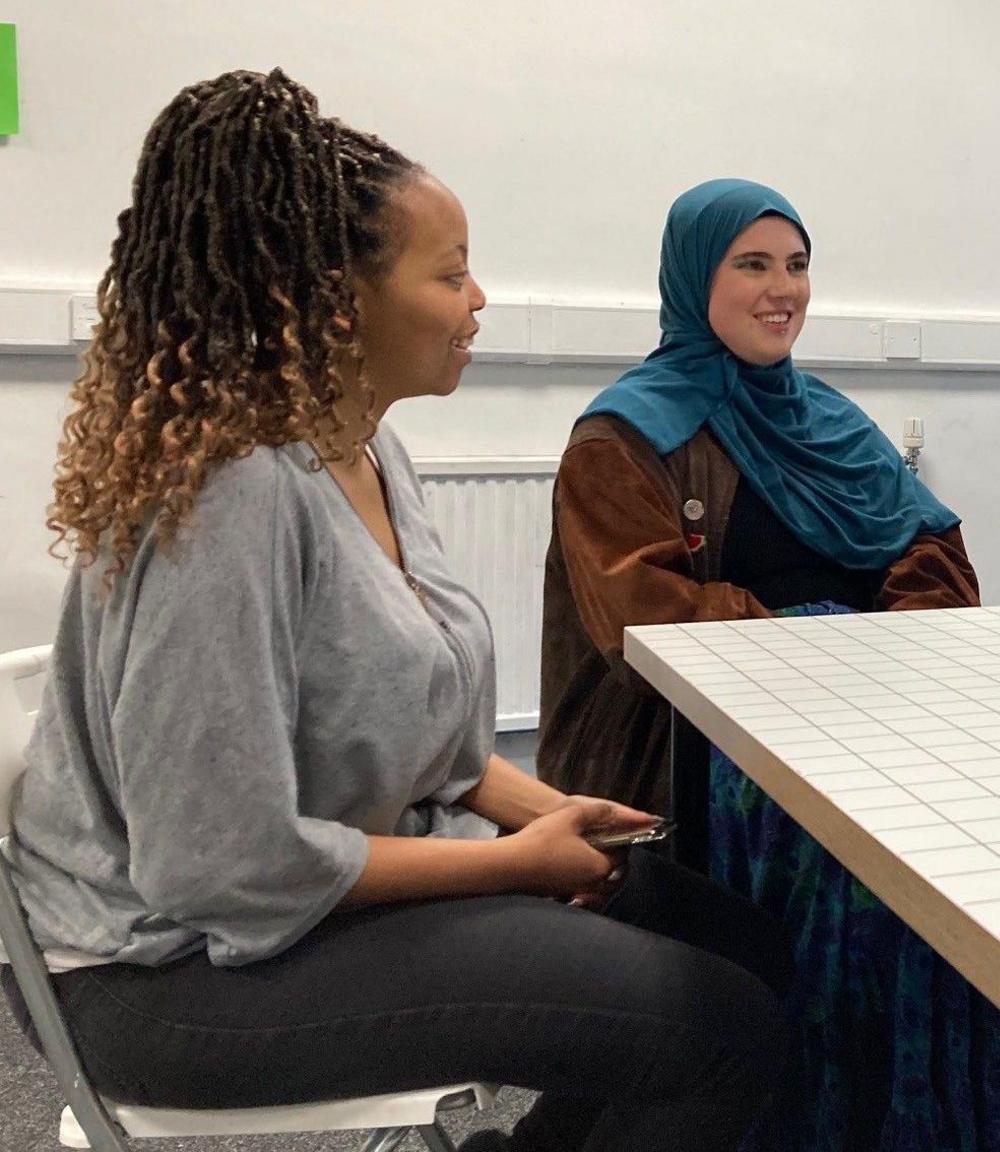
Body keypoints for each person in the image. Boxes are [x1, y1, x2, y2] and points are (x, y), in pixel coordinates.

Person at [6, 70, 789, 1152]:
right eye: (452, 273)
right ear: (338, 302)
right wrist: (515, 864)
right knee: (718, 1027)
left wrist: (552, 813)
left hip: (292, 907)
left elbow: (425, 747)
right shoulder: (233, 491)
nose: (478, 302)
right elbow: (219, 868)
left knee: (743, 942)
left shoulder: (368, 447)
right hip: (164, 977)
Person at [538, 180, 1000, 1151]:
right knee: (867, 887)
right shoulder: (621, 440)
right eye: (752, 264)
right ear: (694, 278)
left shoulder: (824, 420)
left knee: (980, 858)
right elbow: (647, 623)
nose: (782, 289)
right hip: (700, 746)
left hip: (865, 722)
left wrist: (882, 645)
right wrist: (826, 630)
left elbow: (932, 559)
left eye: (796, 264)